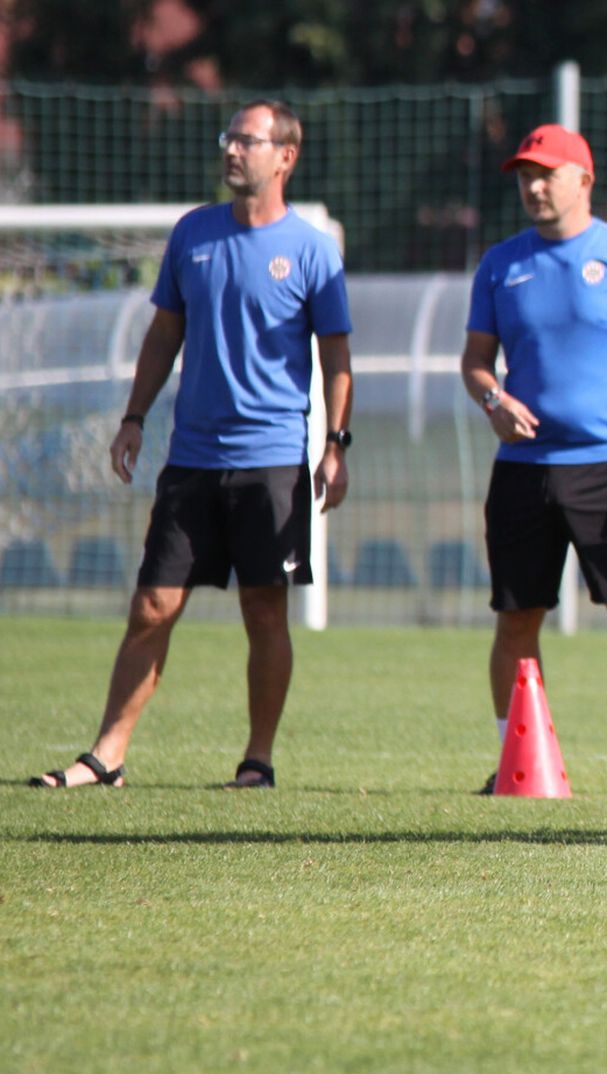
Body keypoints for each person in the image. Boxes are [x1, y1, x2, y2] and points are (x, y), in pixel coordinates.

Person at [31, 99, 353, 790]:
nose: (232, 150)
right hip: (192, 459)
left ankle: (257, 761)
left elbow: (337, 356)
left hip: (271, 462)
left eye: (248, 139)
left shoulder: (311, 250)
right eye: (229, 137)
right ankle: (106, 756)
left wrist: (336, 444)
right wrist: (134, 416)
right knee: (152, 604)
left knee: (264, 609)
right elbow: (163, 335)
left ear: (285, 157)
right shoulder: (193, 235)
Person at [460, 124, 607, 796]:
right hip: (523, 472)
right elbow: (475, 362)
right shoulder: (500, 263)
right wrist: (494, 399)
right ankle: (514, 764)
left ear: (582, 180)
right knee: (516, 617)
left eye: (545, 173)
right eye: (524, 175)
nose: (532, 186)